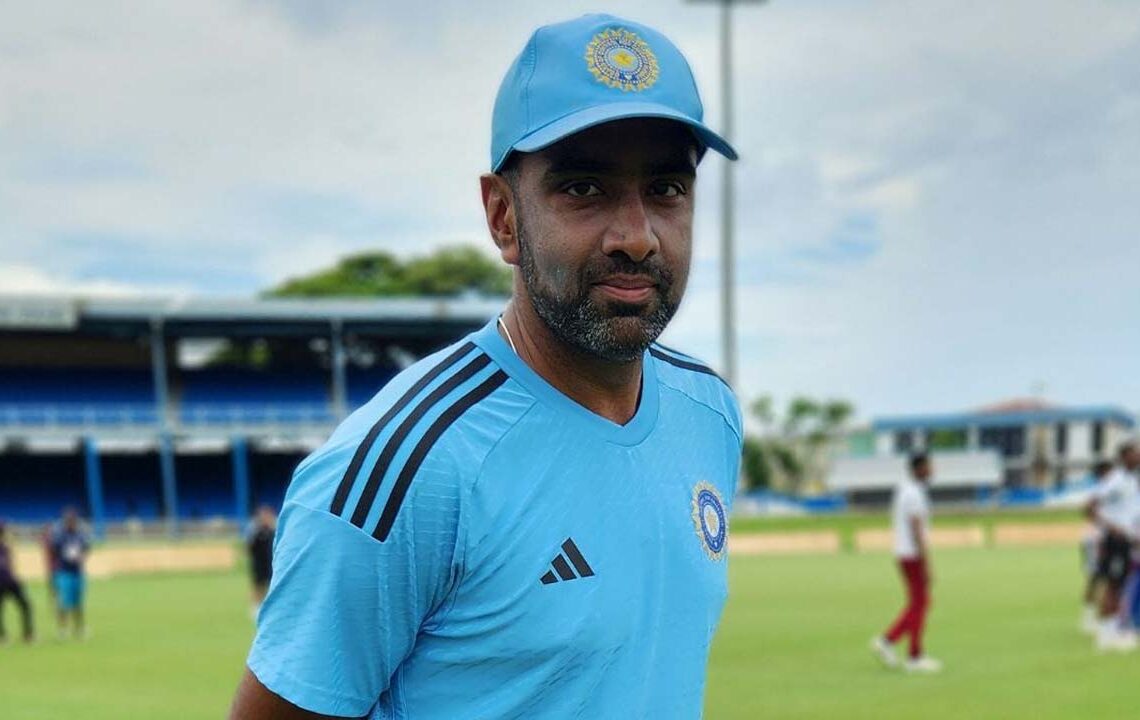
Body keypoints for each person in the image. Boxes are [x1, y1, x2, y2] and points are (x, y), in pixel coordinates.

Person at [229, 13, 742, 720]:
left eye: (666, 189)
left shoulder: (709, 413)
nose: (635, 236)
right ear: (503, 217)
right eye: (583, 188)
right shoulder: (408, 467)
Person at [872, 452, 942, 672]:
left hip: (904, 553)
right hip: (912, 554)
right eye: (929, 466)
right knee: (920, 603)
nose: (932, 470)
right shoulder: (913, 494)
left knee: (919, 603)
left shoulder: (905, 490)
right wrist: (926, 563)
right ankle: (908, 652)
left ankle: (896, 644)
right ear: (919, 469)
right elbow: (916, 529)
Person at [1085, 441, 1140, 651]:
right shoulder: (1115, 480)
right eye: (1135, 454)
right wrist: (1112, 528)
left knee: (1121, 584)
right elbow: (1089, 507)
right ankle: (1105, 635)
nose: (1139, 457)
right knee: (1113, 585)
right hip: (1116, 540)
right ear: (1124, 457)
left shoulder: (1131, 480)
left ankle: (1115, 631)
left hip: (1127, 539)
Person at [1080, 460, 1114, 634]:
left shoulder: (1112, 490)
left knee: (1109, 578)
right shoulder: (1098, 491)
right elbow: (1087, 510)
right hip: (1094, 539)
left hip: (1107, 538)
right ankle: (1088, 617)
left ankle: (1103, 616)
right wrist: (1106, 524)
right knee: (1094, 577)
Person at [50, 507, 91, 640]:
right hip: (64, 572)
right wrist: (64, 557)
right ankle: (62, 629)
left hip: (78, 572)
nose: (71, 523)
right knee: (62, 602)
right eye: (68, 521)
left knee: (78, 601)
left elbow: (87, 548)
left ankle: (79, 628)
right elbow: (53, 550)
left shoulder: (80, 535)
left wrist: (82, 557)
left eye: (73, 520)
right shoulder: (60, 535)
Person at [0, 521, 35, 644]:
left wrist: (16, 577)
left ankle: (28, 634)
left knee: (26, 605)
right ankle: (3, 636)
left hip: (11, 581)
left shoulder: (6, 548)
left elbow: (9, 566)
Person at [245, 505, 276, 619]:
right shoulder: (255, 531)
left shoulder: (273, 531)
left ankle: (268, 608)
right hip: (258, 563)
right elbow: (249, 547)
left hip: (270, 563)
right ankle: (255, 608)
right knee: (258, 587)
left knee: (270, 585)